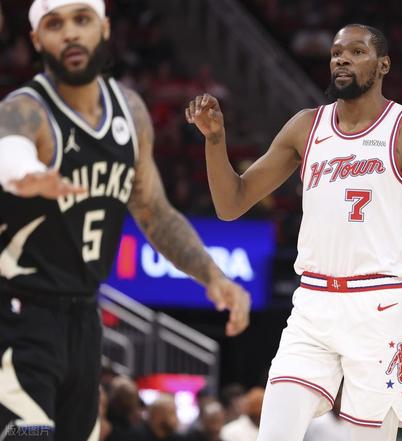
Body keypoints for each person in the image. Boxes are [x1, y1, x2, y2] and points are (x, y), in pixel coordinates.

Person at [187, 23, 402, 441]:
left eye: (357, 52)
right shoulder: (306, 126)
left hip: (380, 309)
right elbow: (231, 205)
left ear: (383, 65)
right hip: (313, 305)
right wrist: (215, 140)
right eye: (337, 53)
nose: (342, 60)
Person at [0, 2, 251, 440]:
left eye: (82, 19)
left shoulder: (129, 112)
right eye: (55, 24)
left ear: (104, 28)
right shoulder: (26, 109)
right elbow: (9, 150)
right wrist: (26, 173)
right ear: (37, 39)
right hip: (19, 317)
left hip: (85, 319)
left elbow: (154, 211)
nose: (70, 33)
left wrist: (212, 276)